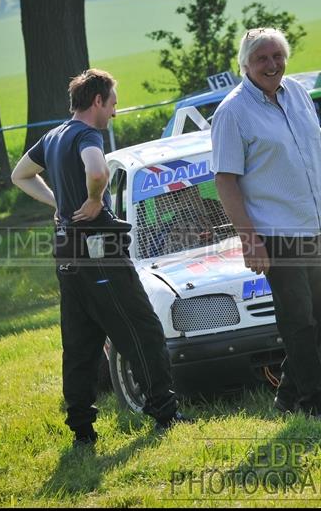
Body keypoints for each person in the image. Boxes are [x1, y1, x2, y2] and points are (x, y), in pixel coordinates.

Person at [11, 68, 190, 446]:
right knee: (142, 329)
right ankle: (165, 412)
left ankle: (81, 429)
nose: (114, 113)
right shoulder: (85, 134)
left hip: (67, 257)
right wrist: (93, 201)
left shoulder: (54, 136)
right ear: (97, 101)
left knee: (79, 344)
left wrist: (59, 200)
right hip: (100, 254)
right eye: (112, 104)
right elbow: (97, 169)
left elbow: (20, 174)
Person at [211, 28, 321, 418]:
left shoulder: (300, 94)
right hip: (276, 233)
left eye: (277, 56)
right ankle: (318, 401)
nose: (271, 65)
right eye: (262, 59)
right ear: (246, 65)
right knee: (298, 320)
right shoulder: (232, 112)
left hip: (316, 222)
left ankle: (287, 394)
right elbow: (225, 180)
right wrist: (249, 240)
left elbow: (316, 156)